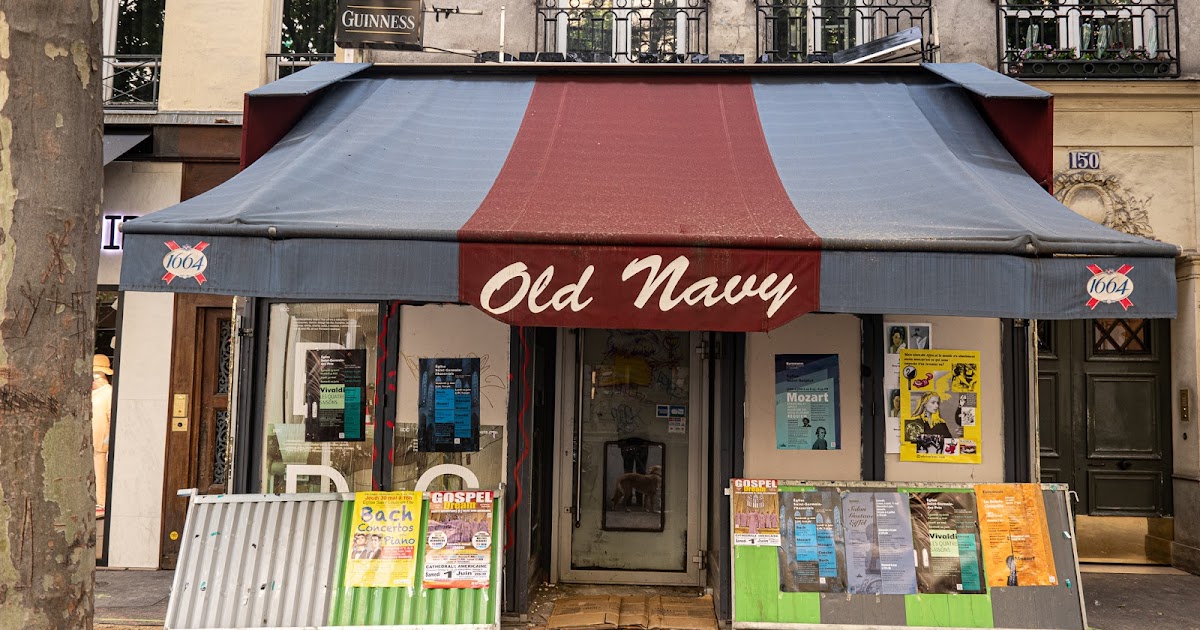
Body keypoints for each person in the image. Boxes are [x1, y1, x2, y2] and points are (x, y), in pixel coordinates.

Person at [92, 354, 113, 518]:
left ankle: (102, 503)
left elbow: (111, 418)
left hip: (101, 444)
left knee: (101, 475)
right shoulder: (94, 393)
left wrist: (109, 444)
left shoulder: (108, 392)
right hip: (92, 443)